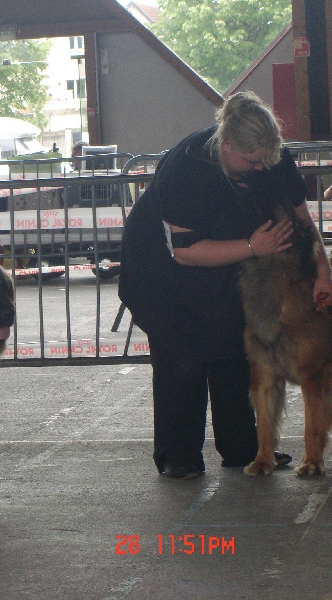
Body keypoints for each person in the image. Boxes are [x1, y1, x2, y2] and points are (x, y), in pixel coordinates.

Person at [118, 92, 332, 480]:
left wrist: (322, 269)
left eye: (264, 161)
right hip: (162, 272)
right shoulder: (187, 168)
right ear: (227, 144)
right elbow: (185, 251)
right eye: (251, 161)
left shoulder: (272, 159)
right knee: (182, 357)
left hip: (233, 261)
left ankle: (244, 448)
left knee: (235, 348)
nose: (257, 168)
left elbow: (302, 221)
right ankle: (178, 456)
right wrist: (253, 246)